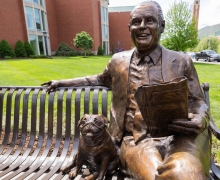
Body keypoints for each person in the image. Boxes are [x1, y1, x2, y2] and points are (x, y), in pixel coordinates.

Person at [42, 1, 211, 179]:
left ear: (162, 26)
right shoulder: (118, 61)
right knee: (160, 176)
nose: (142, 27)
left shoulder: (181, 61)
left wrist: (199, 118)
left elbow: (198, 101)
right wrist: (62, 83)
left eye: (150, 21)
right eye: (136, 22)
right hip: (137, 141)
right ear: (129, 27)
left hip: (180, 137)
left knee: (184, 171)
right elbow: (96, 79)